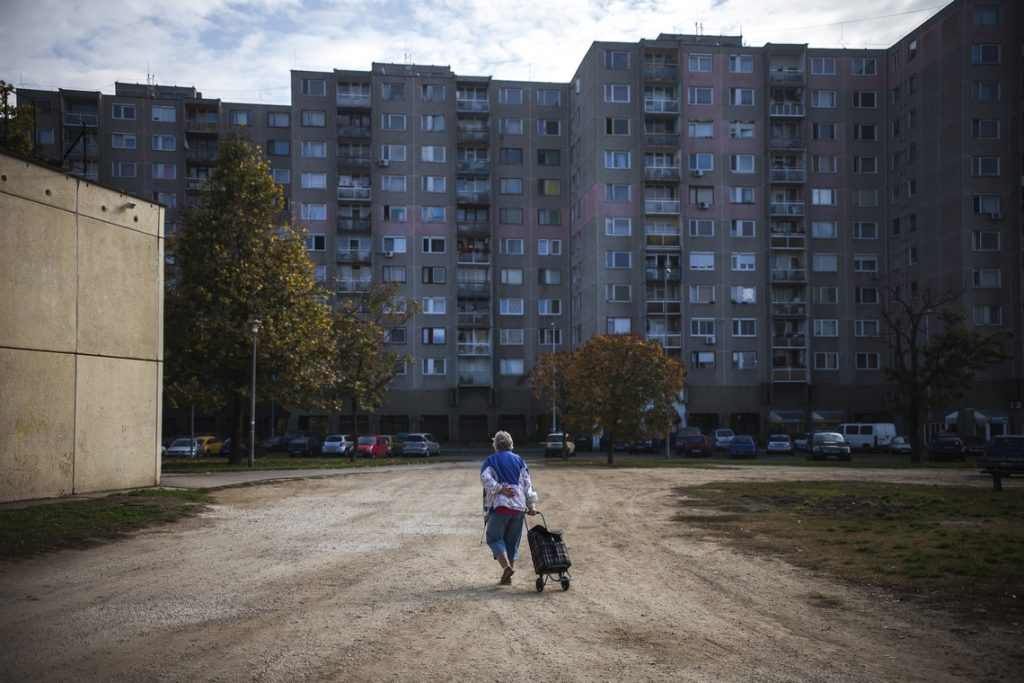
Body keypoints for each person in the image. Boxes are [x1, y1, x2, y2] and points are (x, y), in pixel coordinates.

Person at [480, 430, 538, 585]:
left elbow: (485, 478)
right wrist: (531, 505)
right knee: (512, 542)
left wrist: (500, 488)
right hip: (519, 507)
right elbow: (527, 484)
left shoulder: (491, 460)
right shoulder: (519, 460)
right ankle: (508, 578)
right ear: (510, 444)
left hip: (501, 505)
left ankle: (506, 567)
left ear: (496, 445)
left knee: (494, 537)